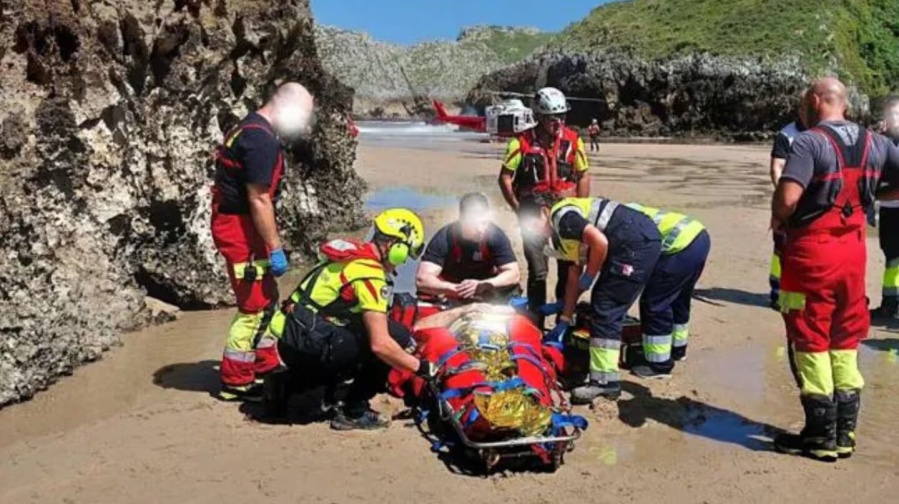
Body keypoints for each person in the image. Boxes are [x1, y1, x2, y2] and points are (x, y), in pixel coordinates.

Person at [771, 78, 899, 461]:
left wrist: (779, 215)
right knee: (845, 337)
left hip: (812, 254)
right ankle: (845, 434)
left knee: (809, 337)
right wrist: (875, 195)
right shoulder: (876, 142)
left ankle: (819, 434)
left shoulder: (808, 142)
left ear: (815, 101)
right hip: (854, 253)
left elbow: (789, 197)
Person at [262, 208, 439, 430]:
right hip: (308, 346)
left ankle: (288, 384)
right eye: (405, 255)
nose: (402, 263)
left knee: (368, 334)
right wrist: (420, 367)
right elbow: (380, 344)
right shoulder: (369, 275)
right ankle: (353, 411)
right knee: (397, 337)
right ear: (397, 247)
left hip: (290, 340)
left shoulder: (352, 255)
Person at [210, 82, 315, 401]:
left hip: (242, 224)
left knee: (268, 299)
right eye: (304, 116)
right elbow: (259, 199)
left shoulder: (249, 129)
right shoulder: (260, 140)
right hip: (241, 229)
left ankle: (265, 364)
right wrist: (275, 247)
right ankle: (237, 379)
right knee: (253, 308)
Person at [528, 188, 661, 402]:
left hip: (635, 242)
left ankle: (604, 382)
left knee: (606, 308)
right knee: (603, 304)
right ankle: (604, 378)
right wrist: (564, 316)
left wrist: (590, 276)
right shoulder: (562, 229)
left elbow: (600, 242)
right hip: (634, 239)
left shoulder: (561, 217)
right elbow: (573, 274)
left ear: (544, 211)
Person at [498, 87, 591, 328]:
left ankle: (563, 319)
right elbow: (505, 178)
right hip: (532, 215)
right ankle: (535, 323)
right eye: (552, 118)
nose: (558, 122)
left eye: (561, 116)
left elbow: (582, 175)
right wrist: (518, 208)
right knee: (538, 271)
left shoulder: (573, 141)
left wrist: (581, 209)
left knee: (568, 269)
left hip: (565, 216)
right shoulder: (520, 143)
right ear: (540, 117)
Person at [625, 203, 711, 378]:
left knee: (654, 303)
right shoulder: (625, 211)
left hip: (680, 246)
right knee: (679, 298)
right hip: (698, 235)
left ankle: (659, 365)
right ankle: (677, 350)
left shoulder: (619, 227)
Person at [415, 193, 521, 304]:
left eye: (484, 223)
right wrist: (457, 289)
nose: (481, 230)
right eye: (474, 224)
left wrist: (484, 285)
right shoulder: (444, 237)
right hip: (451, 290)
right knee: (425, 294)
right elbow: (422, 279)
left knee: (511, 289)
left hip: (483, 289)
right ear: (462, 220)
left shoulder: (495, 235)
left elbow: (514, 274)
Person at [768, 100, 808, 310]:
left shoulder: (821, 131)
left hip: (812, 204)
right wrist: (784, 197)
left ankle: (802, 294)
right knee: (782, 248)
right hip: (789, 201)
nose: (806, 112)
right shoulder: (787, 135)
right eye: (802, 108)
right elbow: (776, 168)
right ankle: (777, 292)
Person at [871, 96, 899, 320]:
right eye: (892, 114)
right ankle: (890, 303)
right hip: (888, 210)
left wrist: (872, 195)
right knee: (891, 257)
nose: (895, 119)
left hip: (890, 202)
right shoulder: (878, 142)